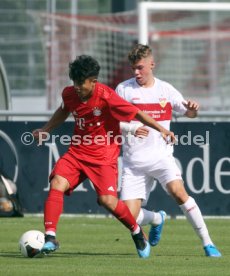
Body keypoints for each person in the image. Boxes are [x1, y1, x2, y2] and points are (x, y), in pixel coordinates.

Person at [32, 55, 176, 258]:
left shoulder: (106, 96)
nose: (77, 87)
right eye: (74, 82)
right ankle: (50, 237)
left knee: (108, 201)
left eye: (81, 83)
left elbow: (136, 114)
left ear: (93, 81)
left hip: (103, 156)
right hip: (77, 153)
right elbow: (64, 110)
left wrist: (161, 129)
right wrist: (46, 129)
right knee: (57, 183)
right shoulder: (70, 94)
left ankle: (136, 232)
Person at [116, 44, 221, 258]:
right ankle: (156, 218)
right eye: (133, 69)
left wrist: (192, 110)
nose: (136, 73)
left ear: (152, 64)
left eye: (140, 68)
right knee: (127, 216)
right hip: (134, 163)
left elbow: (189, 113)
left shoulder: (166, 90)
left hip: (161, 158)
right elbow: (112, 122)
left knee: (178, 192)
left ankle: (208, 244)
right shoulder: (123, 90)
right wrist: (131, 127)